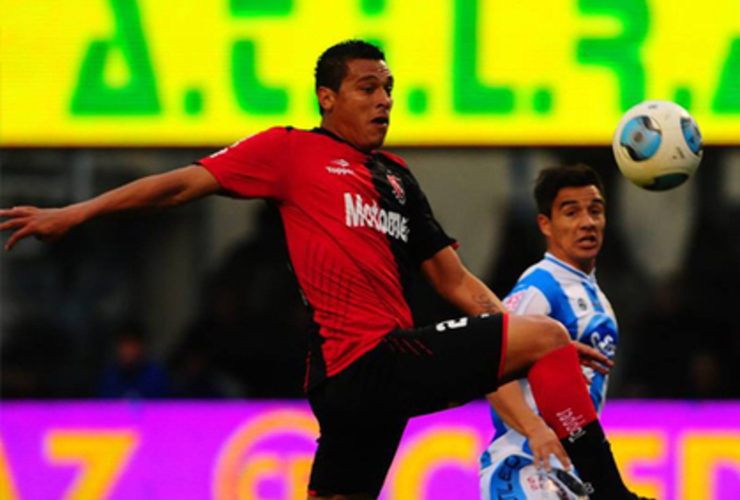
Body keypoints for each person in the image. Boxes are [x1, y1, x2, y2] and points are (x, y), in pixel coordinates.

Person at [0, 40, 649, 500]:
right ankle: (610, 491)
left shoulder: (397, 179)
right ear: (327, 96)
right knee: (546, 336)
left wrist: (515, 344)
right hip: (367, 361)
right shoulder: (290, 152)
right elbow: (179, 185)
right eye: (368, 88)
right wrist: (77, 212)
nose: (383, 100)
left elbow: (452, 281)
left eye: (389, 88)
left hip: (361, 383)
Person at [479, 164, 621, 498]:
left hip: (568, 472)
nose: (587, 222)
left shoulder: (598, 297)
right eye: (571, 212)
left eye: (595, 211)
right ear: (546, 224)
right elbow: (490, 368)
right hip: (526, 465)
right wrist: (535, 429)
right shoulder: (540, 287)